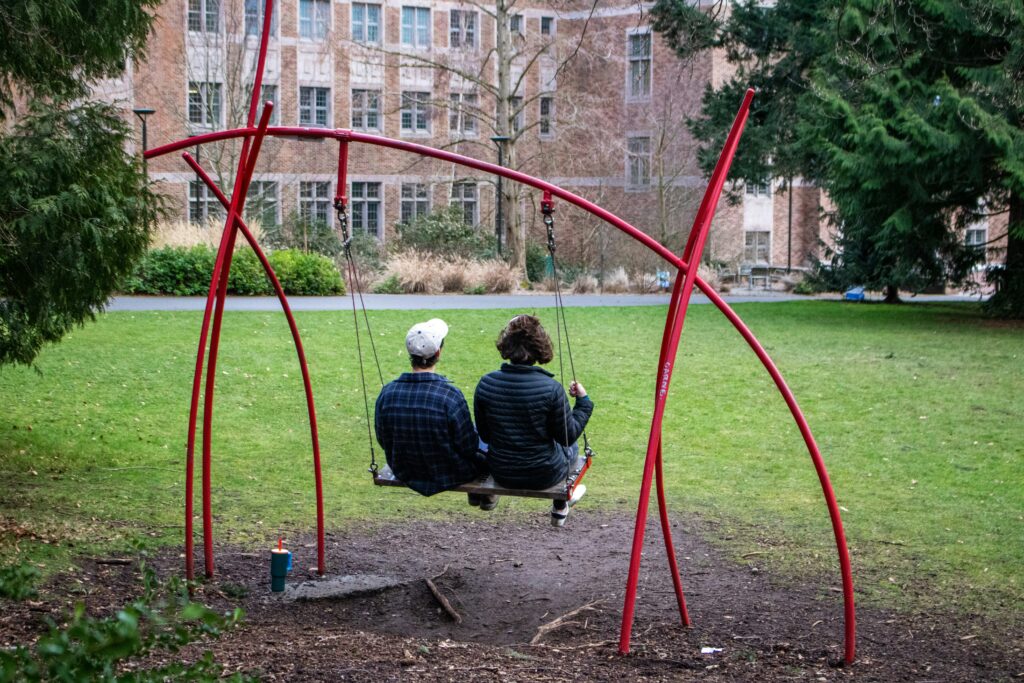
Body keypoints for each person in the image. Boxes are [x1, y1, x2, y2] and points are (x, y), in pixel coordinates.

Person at [473, 315, 594, 526]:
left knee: (479, 436)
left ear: (507, 344)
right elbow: (568, 437)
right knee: (570, 446)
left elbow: (484, 435)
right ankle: (559, 504)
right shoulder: (551, 388)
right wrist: (583, 401)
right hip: (544, 474)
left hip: (502, 471)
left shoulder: (486, 383)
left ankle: (487, 496)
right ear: (540, 346)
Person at [375, 318, 495, 509]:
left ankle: (479, 494)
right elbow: (468, 446)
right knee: (484, 437)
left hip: (405, 469)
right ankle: (480, 492)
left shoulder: (388, 392)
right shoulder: (449, 395)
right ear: (438, 352)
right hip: (451, 472)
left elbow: (383, 438)